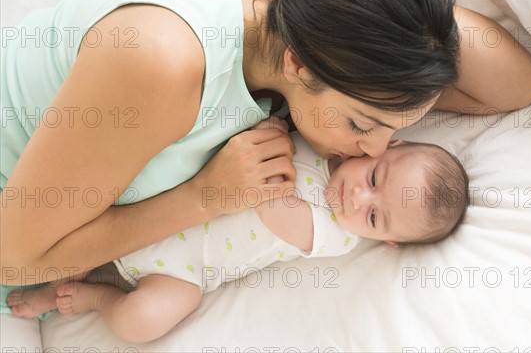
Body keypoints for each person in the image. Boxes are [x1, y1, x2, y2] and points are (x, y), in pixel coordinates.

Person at [1, 0, 531, 300]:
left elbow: (517, 86)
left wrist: (377, 3)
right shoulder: (161, 59)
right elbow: (11, 261)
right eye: (362, 124)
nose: (376, 150)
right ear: (298, 65)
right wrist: (204, 198)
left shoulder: (301, 27)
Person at [7, 118, 469, 343]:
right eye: (373, 180)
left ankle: (89, 297)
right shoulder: (323, 140)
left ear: (383, 239)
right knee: (83, 222)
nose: (357, 199)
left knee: (142, 321)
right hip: (159, 210)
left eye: (374, 216)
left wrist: (274, 156)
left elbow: (277, 213)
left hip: (183, 270)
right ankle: (53, 263)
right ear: (386, 147)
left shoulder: (338, 233)